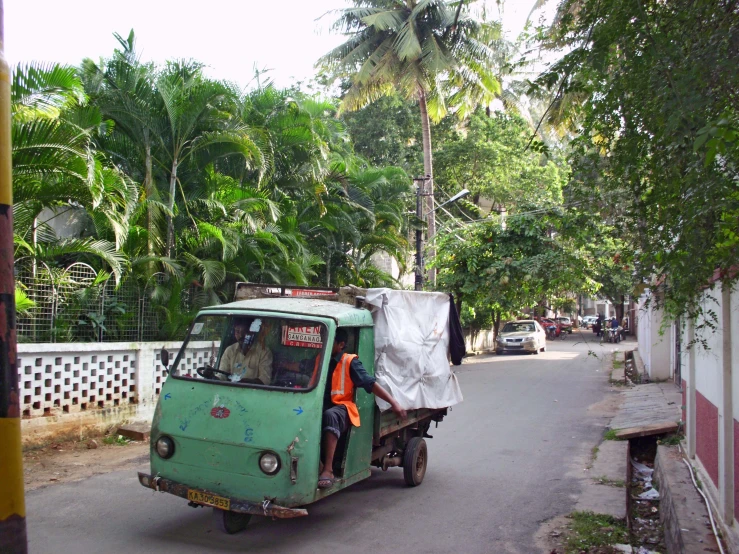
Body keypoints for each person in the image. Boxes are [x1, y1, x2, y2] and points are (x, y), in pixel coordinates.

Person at [318, 328, 406, 489]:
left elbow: (370, 384)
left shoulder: (349, 362)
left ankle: (328, 469)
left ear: (341, 344)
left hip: (342, 407)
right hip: (319, 405)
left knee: (330, 415)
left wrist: (394, 403)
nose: (324, 343)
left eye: (329, 340)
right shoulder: (320, 359)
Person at [218, 317, 273, 385]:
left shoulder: (264, 352)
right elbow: (221, 375)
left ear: (252, 332)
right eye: (237, 331)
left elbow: (265, 380)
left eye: (245, 332)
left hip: (253, 393)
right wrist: (214, 377)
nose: (241, 336)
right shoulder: (230, 351)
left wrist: (244, 382)